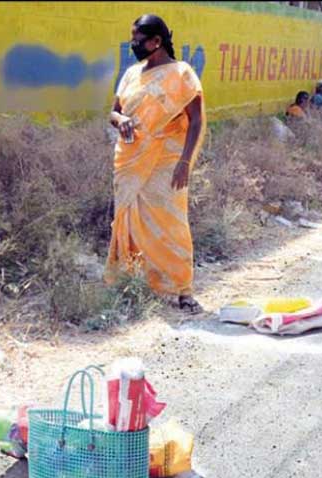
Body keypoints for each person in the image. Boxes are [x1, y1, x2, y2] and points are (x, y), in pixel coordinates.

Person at [106, 14, 206, 314]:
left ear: (156, 41)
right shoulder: (132, 74)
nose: (134, 45)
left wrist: (185, 162)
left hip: (166, 161)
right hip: (130, 160)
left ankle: (181, 289)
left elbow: (197, 119)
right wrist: (121, 120)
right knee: (130, 222)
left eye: (138, 40)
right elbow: (113, 113)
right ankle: (135, 281)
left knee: (171, 224)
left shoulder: (181, 73)